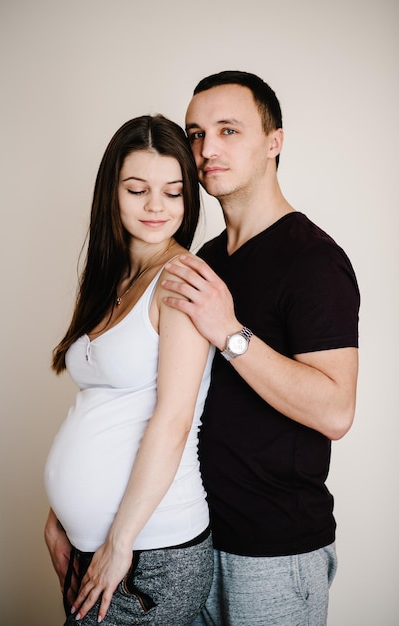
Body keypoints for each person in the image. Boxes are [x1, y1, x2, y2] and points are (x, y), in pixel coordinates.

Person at [162, 71, 360, 626]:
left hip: (276, 552)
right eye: (196, 134)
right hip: (192, 540)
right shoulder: (205, 258)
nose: (206, 150)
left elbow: (336, 410)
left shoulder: (313, 260)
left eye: (229, 130)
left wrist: (229, 331)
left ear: (274, 142)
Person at [44, 114, 216, 626]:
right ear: (111, 194)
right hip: (92, 548)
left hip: (148, 554)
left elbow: (173, 419)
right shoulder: (111, 276)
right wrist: (59, 517)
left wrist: (119, 544)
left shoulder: (181, 280)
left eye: (172, 191)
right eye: (138, 190)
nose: (156, 207)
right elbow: (101, 408)